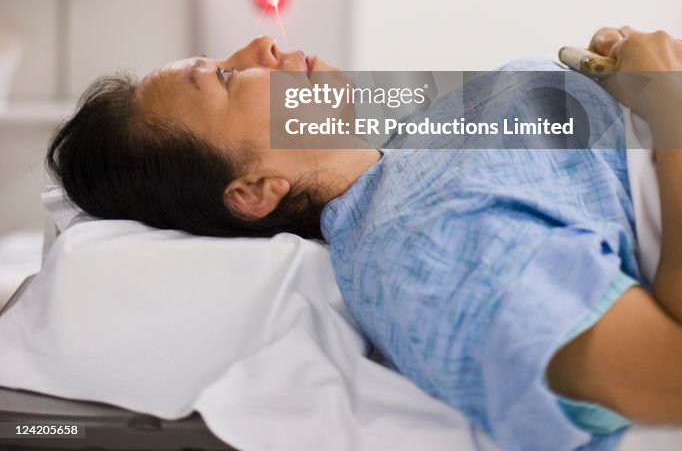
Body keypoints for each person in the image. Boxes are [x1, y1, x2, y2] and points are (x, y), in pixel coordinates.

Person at [45, 27, 682, 451]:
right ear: (254, 190)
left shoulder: (413, 148)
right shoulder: (427, 251)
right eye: (228, 78)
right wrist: (667, 104)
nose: (262, 45)